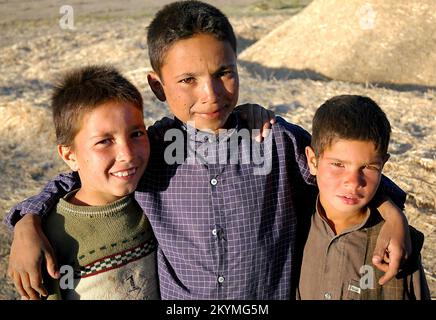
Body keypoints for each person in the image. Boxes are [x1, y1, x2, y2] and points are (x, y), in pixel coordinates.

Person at [6, 1, 410, 300]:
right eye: (188, 80)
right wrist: (26, 222)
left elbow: (354, 172)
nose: (211, 94)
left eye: (224, 73)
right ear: (158, 87)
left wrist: (394, 217)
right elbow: (77, 178)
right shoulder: (149, 149)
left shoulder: (276, 141)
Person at [33, 65, 159, 299]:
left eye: (136, 134)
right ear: (70, 156)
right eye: (104, 141)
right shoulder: (53, 236)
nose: (127, 155)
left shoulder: (154, 197)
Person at [297, 95, 430, 300]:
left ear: (383, 165)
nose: (353, 181)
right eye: (338, 164)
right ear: (313, 161)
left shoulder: (397, 248)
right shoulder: (292, 223)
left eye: (368, 167)